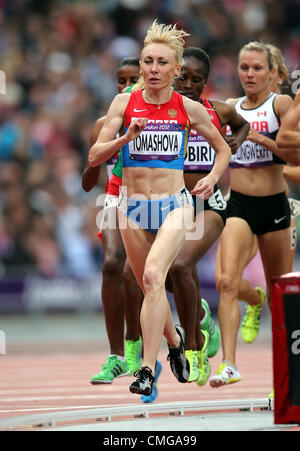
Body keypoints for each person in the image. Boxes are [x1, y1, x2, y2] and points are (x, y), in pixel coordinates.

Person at [88, 20, 231, 396]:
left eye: (161, 62)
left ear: (176, 69)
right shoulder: (124, 103)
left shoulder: (186, 107)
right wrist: (126, 137)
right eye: (147, 61)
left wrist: (213, 177)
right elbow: (93, 155)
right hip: (130, 207)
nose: (152, 68)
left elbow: (223, 148)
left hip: (174, 206)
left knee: (153, 276)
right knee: (150, 286)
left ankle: (147, 371)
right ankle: (176, 344)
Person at [211, 41, 297, 388]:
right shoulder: (230, 107)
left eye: (257, 68)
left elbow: (294, 154)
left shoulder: (282, 104)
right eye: (244, 67)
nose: (249, 74)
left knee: (281, 298)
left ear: (273, 73)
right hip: (239, 205)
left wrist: (264, 142)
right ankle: (229, 364)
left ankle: (289, 379)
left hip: (276, 207)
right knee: (226, 282)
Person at [168, 46, 250, 385]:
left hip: (209, 205)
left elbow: (241, 125)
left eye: (196, 80)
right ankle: (201, 317)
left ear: (205, 83)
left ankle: (194, 348)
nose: (188, 84)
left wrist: (232, 146)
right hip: (171, 205)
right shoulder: (161, 114)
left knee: (179, 265)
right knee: (161, 277)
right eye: (182, 77)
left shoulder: (218, 111)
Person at [82, 58, 145, 386]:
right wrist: (100, 155)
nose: (127, 86)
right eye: (121, 81)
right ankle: (117, 355)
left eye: (133, 79)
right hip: (113, 195)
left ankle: (195, 320)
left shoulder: (156, 120)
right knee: (111, 265)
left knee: (145, 275)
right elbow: (87, 182)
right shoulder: (104, 124)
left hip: (148, 199)